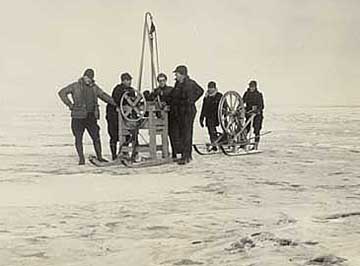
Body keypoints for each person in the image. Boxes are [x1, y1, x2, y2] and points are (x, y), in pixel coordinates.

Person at [58, 68, 116, 165]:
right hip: (78, 117)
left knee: (96, 137)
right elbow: (62, 93)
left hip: (91, 117)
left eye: (91, 78)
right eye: (88, 77)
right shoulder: (75, 86)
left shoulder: (94, 87)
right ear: (84, 76)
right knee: (78, 138)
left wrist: (115, 103)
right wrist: (70, 105)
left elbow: (103, 95)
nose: (89, 79)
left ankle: (99, 157)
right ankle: (81, 159)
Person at [172, 65, 204, 165]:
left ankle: (187, 156)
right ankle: (184, 155)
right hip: (180, 112)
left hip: (188, 111)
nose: (176, 75)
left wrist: (192, 100)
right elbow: (174, 95)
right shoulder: (178, 84)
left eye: (177, 74)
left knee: (187, 133)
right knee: (181, 134)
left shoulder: (190, 83)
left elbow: (201, 91)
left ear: (183, 74)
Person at [106, 72, 136, 160]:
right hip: (113, 116)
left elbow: (133, 103)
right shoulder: (117, 89)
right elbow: (117, 101)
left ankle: (125, 153)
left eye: (130, 80)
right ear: (122, 81)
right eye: (127, 80)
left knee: (129, 135)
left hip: (125, 116)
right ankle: (114, 156)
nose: (129, 82)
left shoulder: (131, 90)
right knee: (114, 136)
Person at [200, 81, 223, 150]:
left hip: (216, 116)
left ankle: (216, 142)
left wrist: (224, 115)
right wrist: (201, 117)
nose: (210, 89)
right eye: (209, 88)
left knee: (213, 130)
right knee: (210, 130)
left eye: (212, 88)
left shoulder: (219, 96)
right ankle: (214, 144)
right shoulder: (206, 97)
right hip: (208, 116)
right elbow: (203, 108)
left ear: (215, 88)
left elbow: (224, 105)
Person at [243, 80, 264, 149]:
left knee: (256, 130)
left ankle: (255, 145)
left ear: (255, 87)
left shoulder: (259, 95)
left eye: (253, 87)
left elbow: (261, 106)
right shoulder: (246, 94)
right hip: (249, 114)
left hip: (257, 116)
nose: (251, 88)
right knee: (246, 129)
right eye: (250, 86)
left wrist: (257, 110)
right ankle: (243, 144)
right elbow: (242, 102)